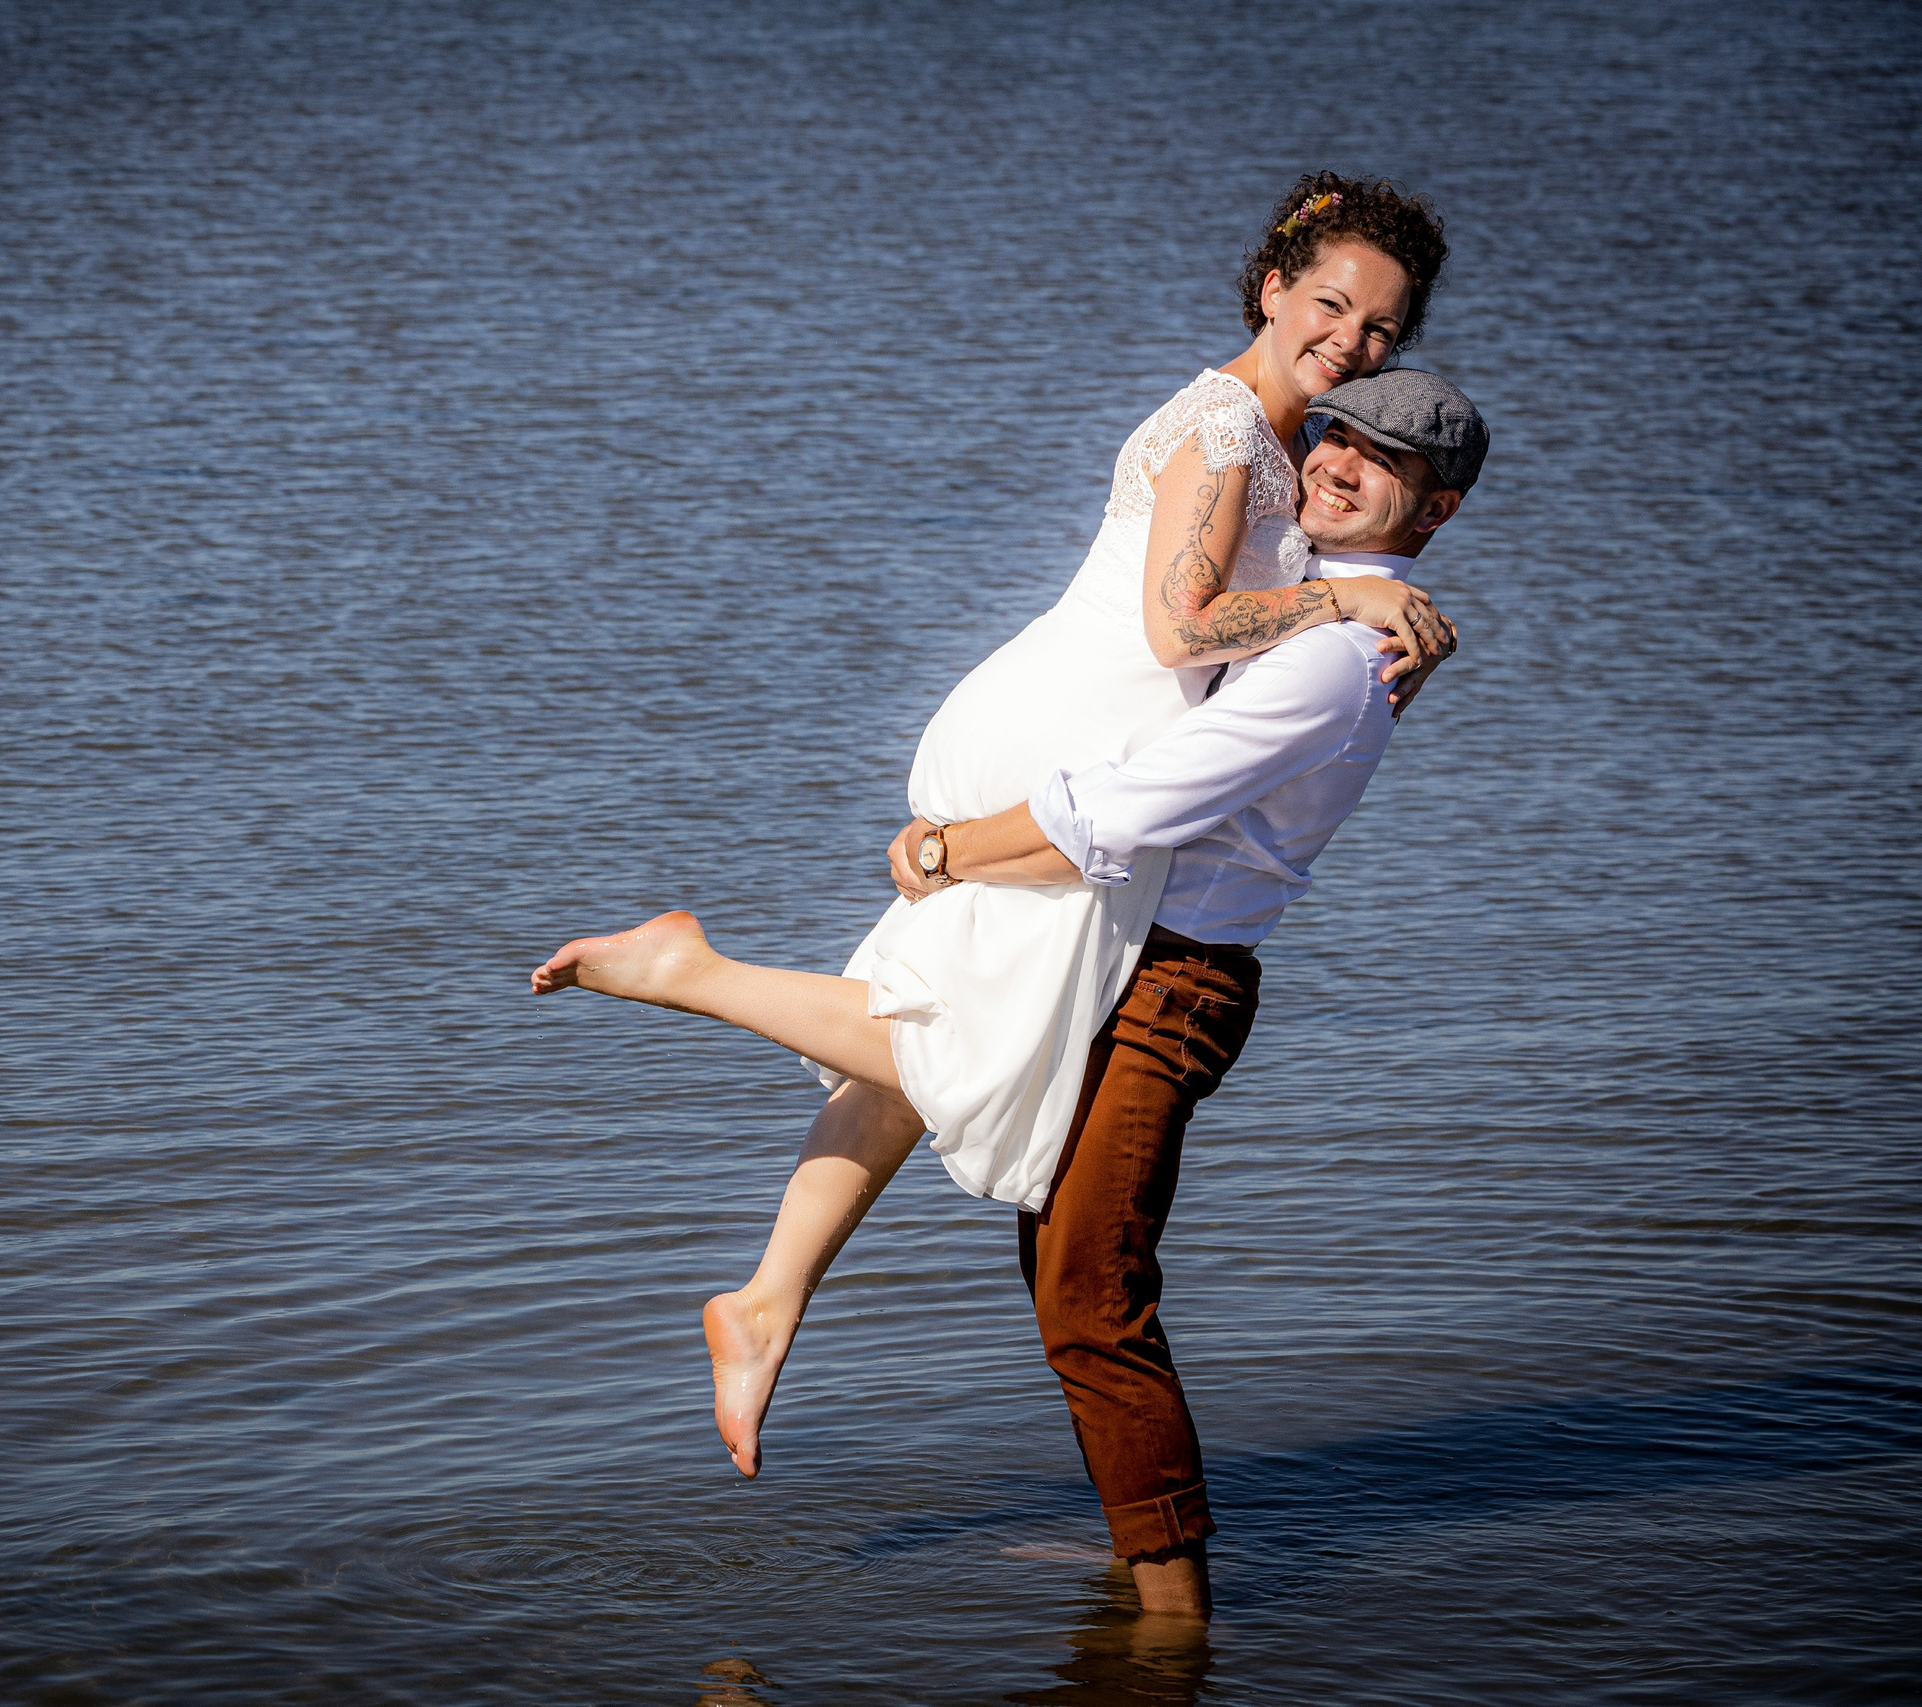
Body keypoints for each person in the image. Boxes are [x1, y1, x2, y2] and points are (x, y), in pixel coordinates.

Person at [529, 175, 1459, 1583]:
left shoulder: (1291, 440)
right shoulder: (1227, 427)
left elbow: (1292, 659)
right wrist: (1348, 594)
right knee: (966, 1045)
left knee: (925, 1036)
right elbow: (1182, 630)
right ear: (1273, 286)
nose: (1353, 340)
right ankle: (684, 970)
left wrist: (1379, 624)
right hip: (1078, 746)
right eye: (1331, 303)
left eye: (1383, 329)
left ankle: (768, 1301)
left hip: (1070, 734)